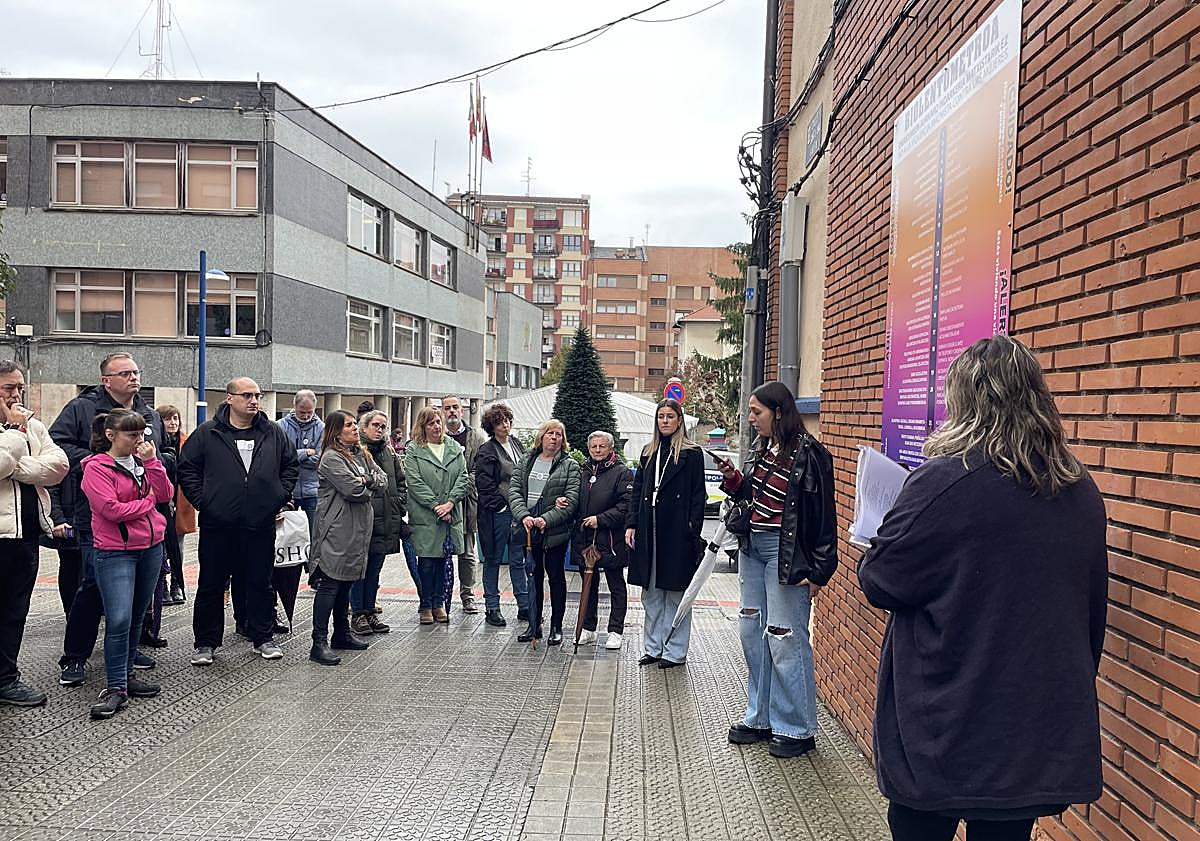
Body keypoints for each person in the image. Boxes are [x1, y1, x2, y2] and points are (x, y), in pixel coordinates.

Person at [857, 336, 1107, 841]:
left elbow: (881, 580)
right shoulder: (1079, 489)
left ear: (965, 401)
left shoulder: (944, 480)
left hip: (944, 724)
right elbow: (1090, 612)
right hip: (1031, 727)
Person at [717, 381, 837, 758]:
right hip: (753, 548)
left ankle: (797, 728)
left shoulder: (812, 455)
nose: (751, 419)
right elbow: (752, 495)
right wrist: (736, 482)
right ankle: (760, 717)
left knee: (785, 638)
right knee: (753, 631)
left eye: (757, 412)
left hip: (787, 555)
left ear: (779, 412)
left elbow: (822, 516)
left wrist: (819, 571)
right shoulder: (760, 449)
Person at [51, 352, 165, 687]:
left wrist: (156, 463)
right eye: (125, 372)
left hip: (144, 525)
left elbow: (164, 454)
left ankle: (126, 656)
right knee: (91, 588)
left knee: (134, 599)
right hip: (97, 515)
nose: (133, 377)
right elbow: (58, 446)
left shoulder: (148, 414)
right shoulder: (81, 408)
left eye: (136, 371)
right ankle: (75, 656)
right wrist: (102, 462)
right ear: (106, 380)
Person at [179, 378, 298, 666]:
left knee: (260, 581)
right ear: (229, 398)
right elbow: (187, 468)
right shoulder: (208, 433)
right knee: (211, 584)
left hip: (260, 522)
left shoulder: (273, 433)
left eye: (256, 395)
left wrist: (277, 497)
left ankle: (262, 637)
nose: (254, 400)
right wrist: (204, 501)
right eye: (247, 395)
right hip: (218, 524)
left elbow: (290, 465)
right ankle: (206, 643)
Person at [80, 409, 173, 718]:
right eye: (132, 435)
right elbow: (111, 509)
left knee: (135, 616)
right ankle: (116, 686)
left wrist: (152, 462)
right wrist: (148, 505)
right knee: (118, 618)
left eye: (142, 434)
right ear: (111, 435)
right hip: (115, 551)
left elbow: (166, 493)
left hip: (150, 547)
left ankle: (127, 676)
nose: (139, 440)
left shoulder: (141, 463)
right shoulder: (97, 467)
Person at [0, 360, 69, 707]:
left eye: (20, 387)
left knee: (14, 610)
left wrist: (16, 467)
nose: (17, 395)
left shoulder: (34, 426)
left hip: (25, 535)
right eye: (8, 388)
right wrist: (13, 434)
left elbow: (58, 468)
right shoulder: (19, 428)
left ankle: (6, 678)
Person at [624, 399, 705, 669]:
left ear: (679, 420)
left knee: (676, 592)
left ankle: (675, 651)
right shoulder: (649, 452)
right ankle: (653, 647)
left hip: (676, 531)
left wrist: (692, 528)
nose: (665, 421)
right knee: (651, 592)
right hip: (649, 529)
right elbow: (637, 491)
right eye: (661, 417)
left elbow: (698, 495)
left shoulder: (691, 454)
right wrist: (631, 524)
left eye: (670, 416)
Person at [308, 411, 387, 665]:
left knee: (346, 582)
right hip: (337, 528)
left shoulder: (362, 453)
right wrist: (366, 483)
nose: (355, 429)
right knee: (331, 583)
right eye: (349, 425)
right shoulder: (331, 458)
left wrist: (366, 479)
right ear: (336, 431)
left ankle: (341, 633)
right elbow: (354, 490)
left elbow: (382, 480)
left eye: (355, 424)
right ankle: (318, 641)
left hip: (358, 529)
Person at [508, 419, 580, 646]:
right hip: (528, 528)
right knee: (534, 576)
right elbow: (514, 490)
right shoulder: (527, 460)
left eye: (559, 434)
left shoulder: (570, 465)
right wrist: (524, 516)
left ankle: (556, 626)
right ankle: (534, 623)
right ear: (542, 436)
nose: (554, 438)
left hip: (554, 530)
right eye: (550, 433)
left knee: (556, 577)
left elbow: (571, 500)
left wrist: (545, 520)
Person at [404, 406, 468, 625]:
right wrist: (435, 506)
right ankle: (425, 604)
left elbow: (463, 478)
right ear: (423, 426)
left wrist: (450, 503)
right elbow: (414, 482)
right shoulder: (414, 449)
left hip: (450, 515)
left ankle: (439, 603)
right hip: (426, 516)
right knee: (427, 563)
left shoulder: (455, 448)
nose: (436, 426)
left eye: (438, 422)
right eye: (431, 423)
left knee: (443, 562)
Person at [572, 431, 633, 650]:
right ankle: (588, 628)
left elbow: (626, 505)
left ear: (610, 448)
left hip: (611, 539)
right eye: (593, 447)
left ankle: (615, 630)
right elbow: (573, 499)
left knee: (616, 585)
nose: (597, 451)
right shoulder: (581, 470)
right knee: (589, 584)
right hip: (584, 539)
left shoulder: (622, 472)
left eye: (602, 447)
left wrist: (601, 519)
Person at [350, 410, 409, 636]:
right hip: (363, 522)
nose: (380, 430)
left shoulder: (390, 452)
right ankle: (358, 613)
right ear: (364, 428)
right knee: (359, 570)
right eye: (375, 425)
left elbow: (401, 481)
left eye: (383, 426)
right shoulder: (354, 452)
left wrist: (399, 504)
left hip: (387, 520)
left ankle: (369, 610)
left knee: (374, 570)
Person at [473, 403, 528, 628]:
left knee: (518, 560)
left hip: (518, 514)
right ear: (491, 427)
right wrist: (504, 506)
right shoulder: (487, 451)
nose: (505, 425)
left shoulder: (516, 444)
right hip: (498, 514)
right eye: (500, 422)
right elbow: (484, 484)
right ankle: (492, 607)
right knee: (493, 559)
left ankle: (524, 605)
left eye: (507, 420)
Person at [442, 395, 486, 614]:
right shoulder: (436, 436)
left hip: (467, 503)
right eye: (447, 408)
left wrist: (458, 489)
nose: (451, 411)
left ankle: (468, 595)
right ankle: (440, 596)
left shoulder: (476, 437)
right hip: (441, 505)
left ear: (462, 410)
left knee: (467, 553)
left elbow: (480, 471)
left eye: (455, 407)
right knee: (439, 552)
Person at [156, 405, 193, 605]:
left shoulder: (186, 443)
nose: (173, 423)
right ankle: (162, 583)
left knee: (178, 545)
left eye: (176, 419)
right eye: (168, 419)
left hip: (181, 499)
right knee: (160, 544)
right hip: (161, 499)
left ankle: (177, 584)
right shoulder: (155, 443)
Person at [278, 391, 324, 540]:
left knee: (313, 536)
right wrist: (306, 453)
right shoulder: (280, 427)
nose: (305, 416)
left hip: (313, 491)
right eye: (302, 412)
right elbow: (280, 458)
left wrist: (293, 457)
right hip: (287, 491)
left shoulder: (322, 428)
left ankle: (311, 563)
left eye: (309, 412)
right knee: (287, 537)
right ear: (294, 407)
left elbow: (320, 460)